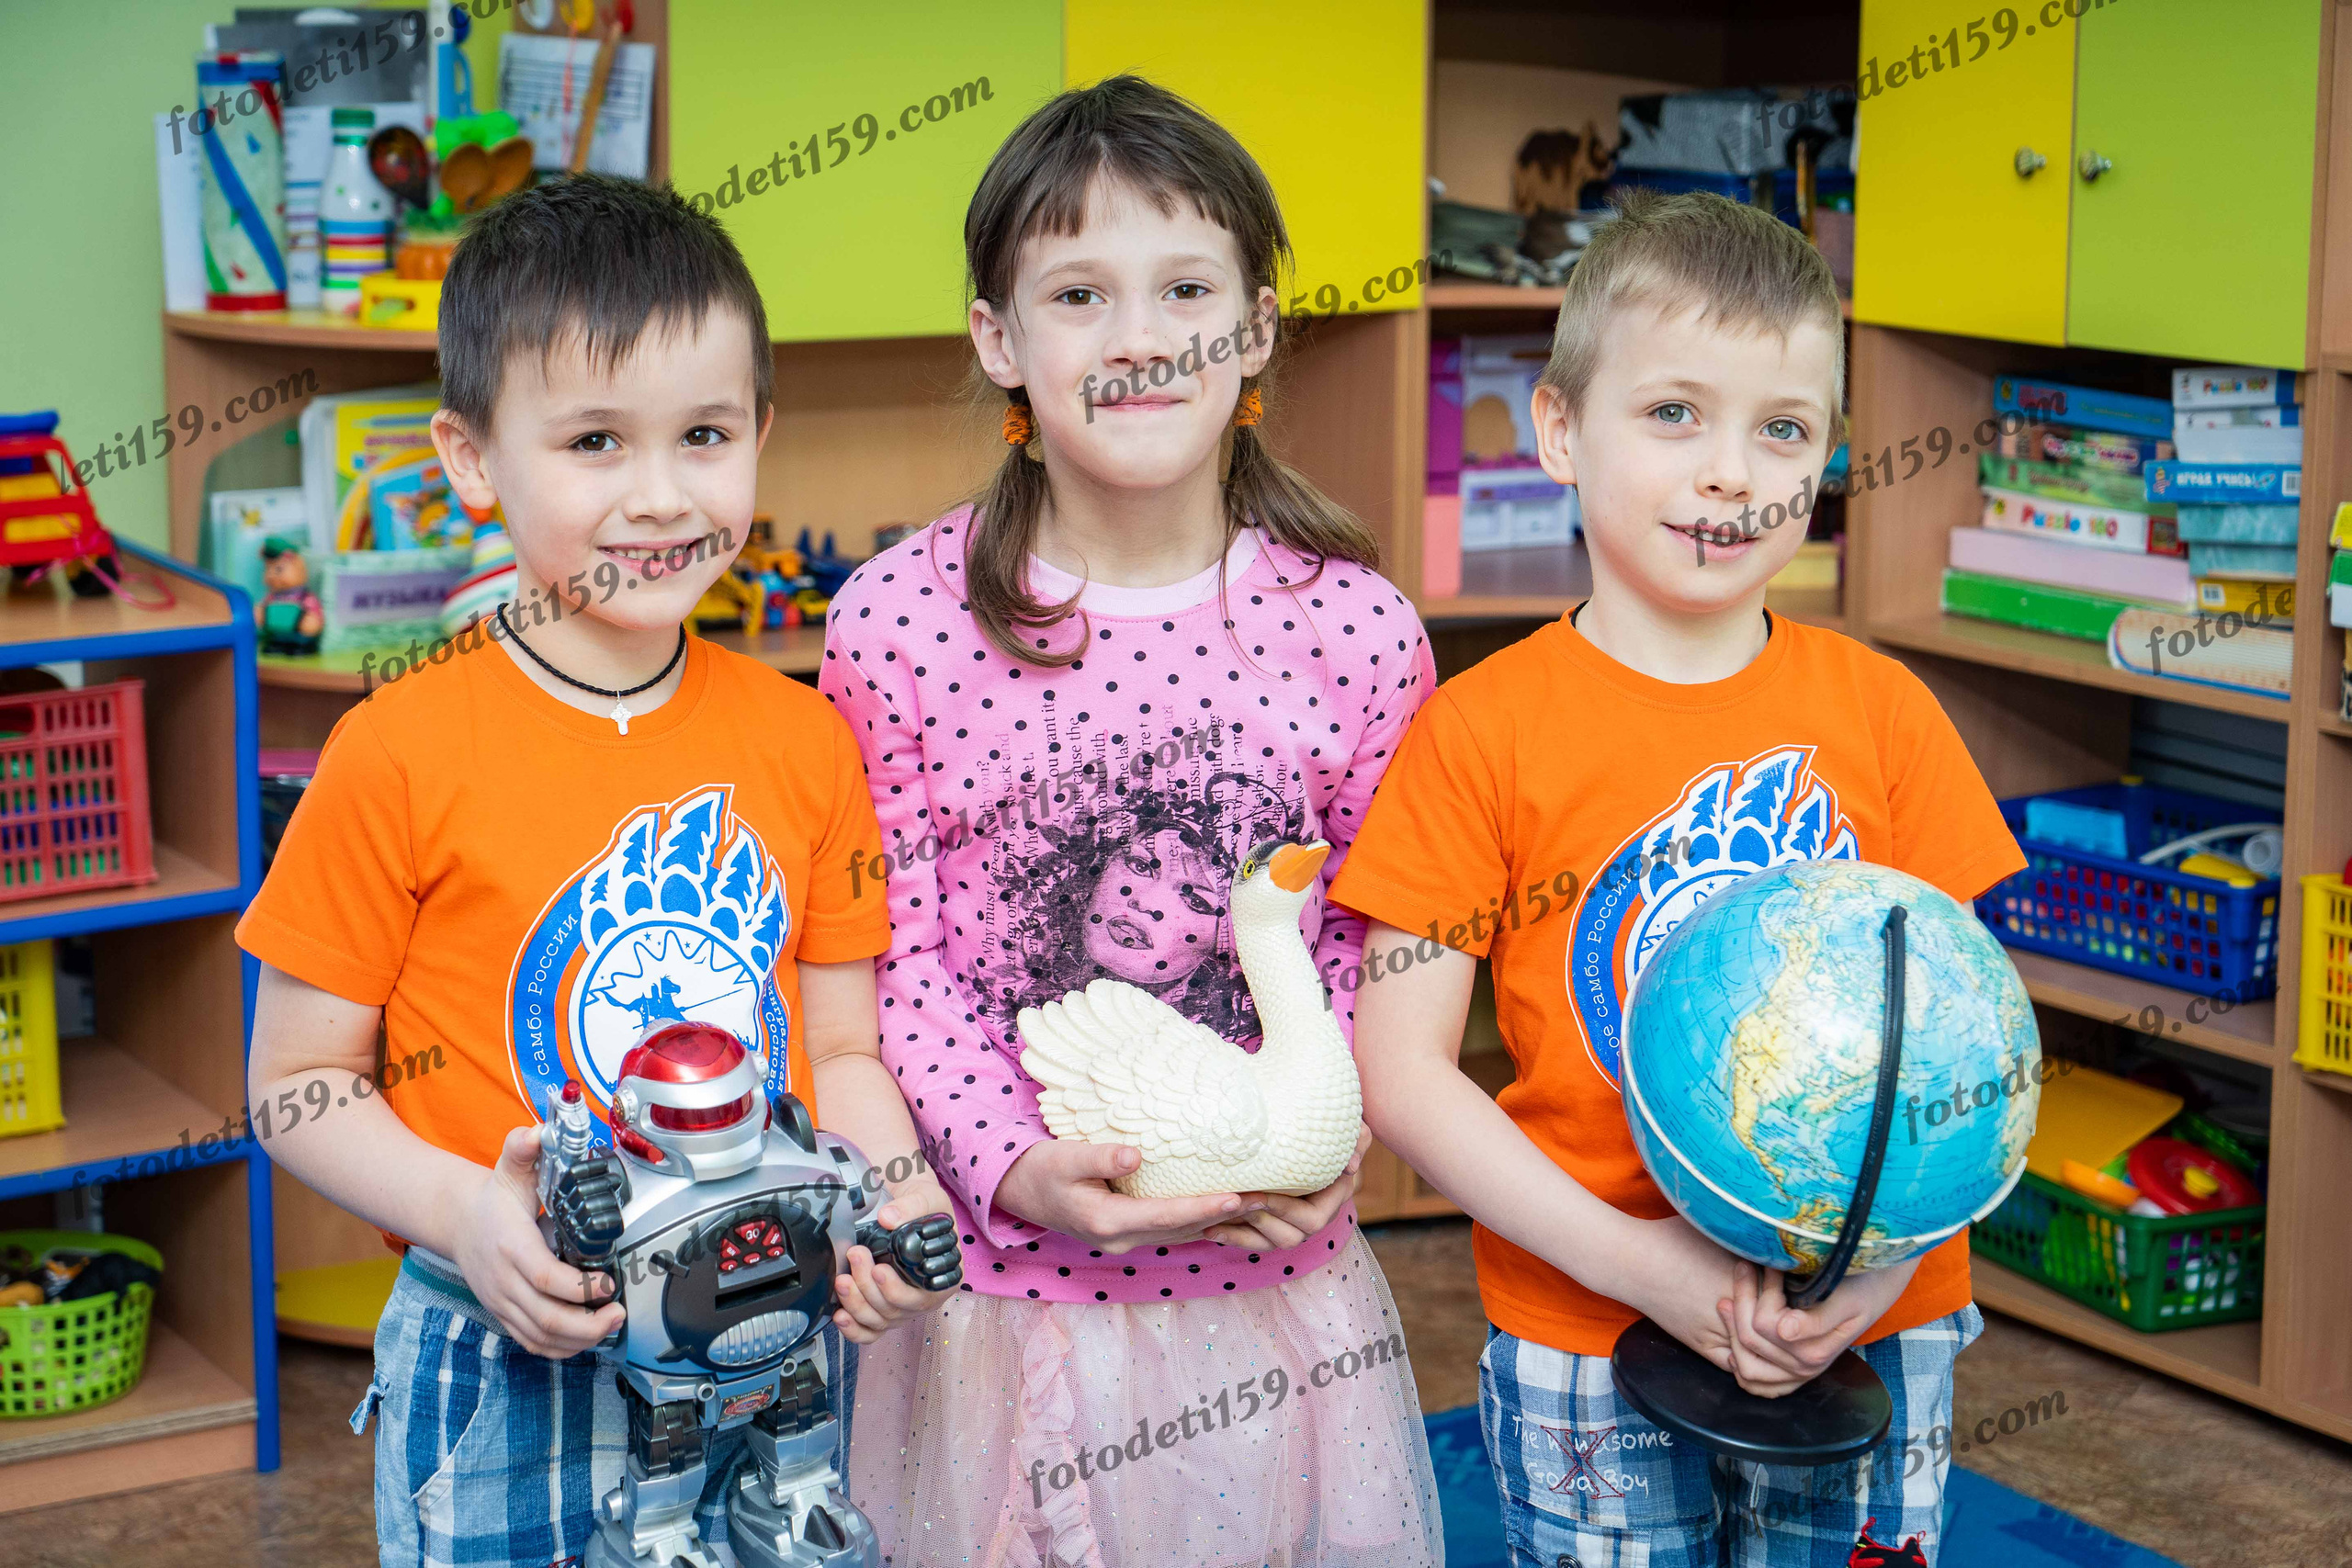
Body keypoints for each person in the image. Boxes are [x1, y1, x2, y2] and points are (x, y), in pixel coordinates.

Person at [236, 174, 956, 1568]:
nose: (661, 496)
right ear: (470, 457)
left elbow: (845, 1046)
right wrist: (463, 1211)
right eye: (593, 442)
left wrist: (897, 1195)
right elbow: (294, 1085)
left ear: (759, 431)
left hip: (764, 1324)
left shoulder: (808, 739)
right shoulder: (391, 750)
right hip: (507, 1342)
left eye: (704, 435)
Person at [1332, 189, 2029, 1568]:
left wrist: (1870, 1277)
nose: (1731, 474)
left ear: (1827, 456)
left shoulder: (1886, 712)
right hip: (1591, 1315)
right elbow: (1402, 1073)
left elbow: (1985, 1048)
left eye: (1784, 429)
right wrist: (1648, 1268)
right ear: (1557, 433)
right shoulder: (1478, 730)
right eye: (1674, 415)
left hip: (1874, 1320)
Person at [820, 74, 1444, 1568]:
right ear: (999, 343)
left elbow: (1370, 931)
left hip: (1272, 1295)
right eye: (1080, 293)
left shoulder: (1357, 632)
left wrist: (1322, 1136)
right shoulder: (895, 623)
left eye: (1186, 289)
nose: (1141, 337)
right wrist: (1007, 1170)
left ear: (1256, 332)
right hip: (1004, 1307)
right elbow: (884, 952)